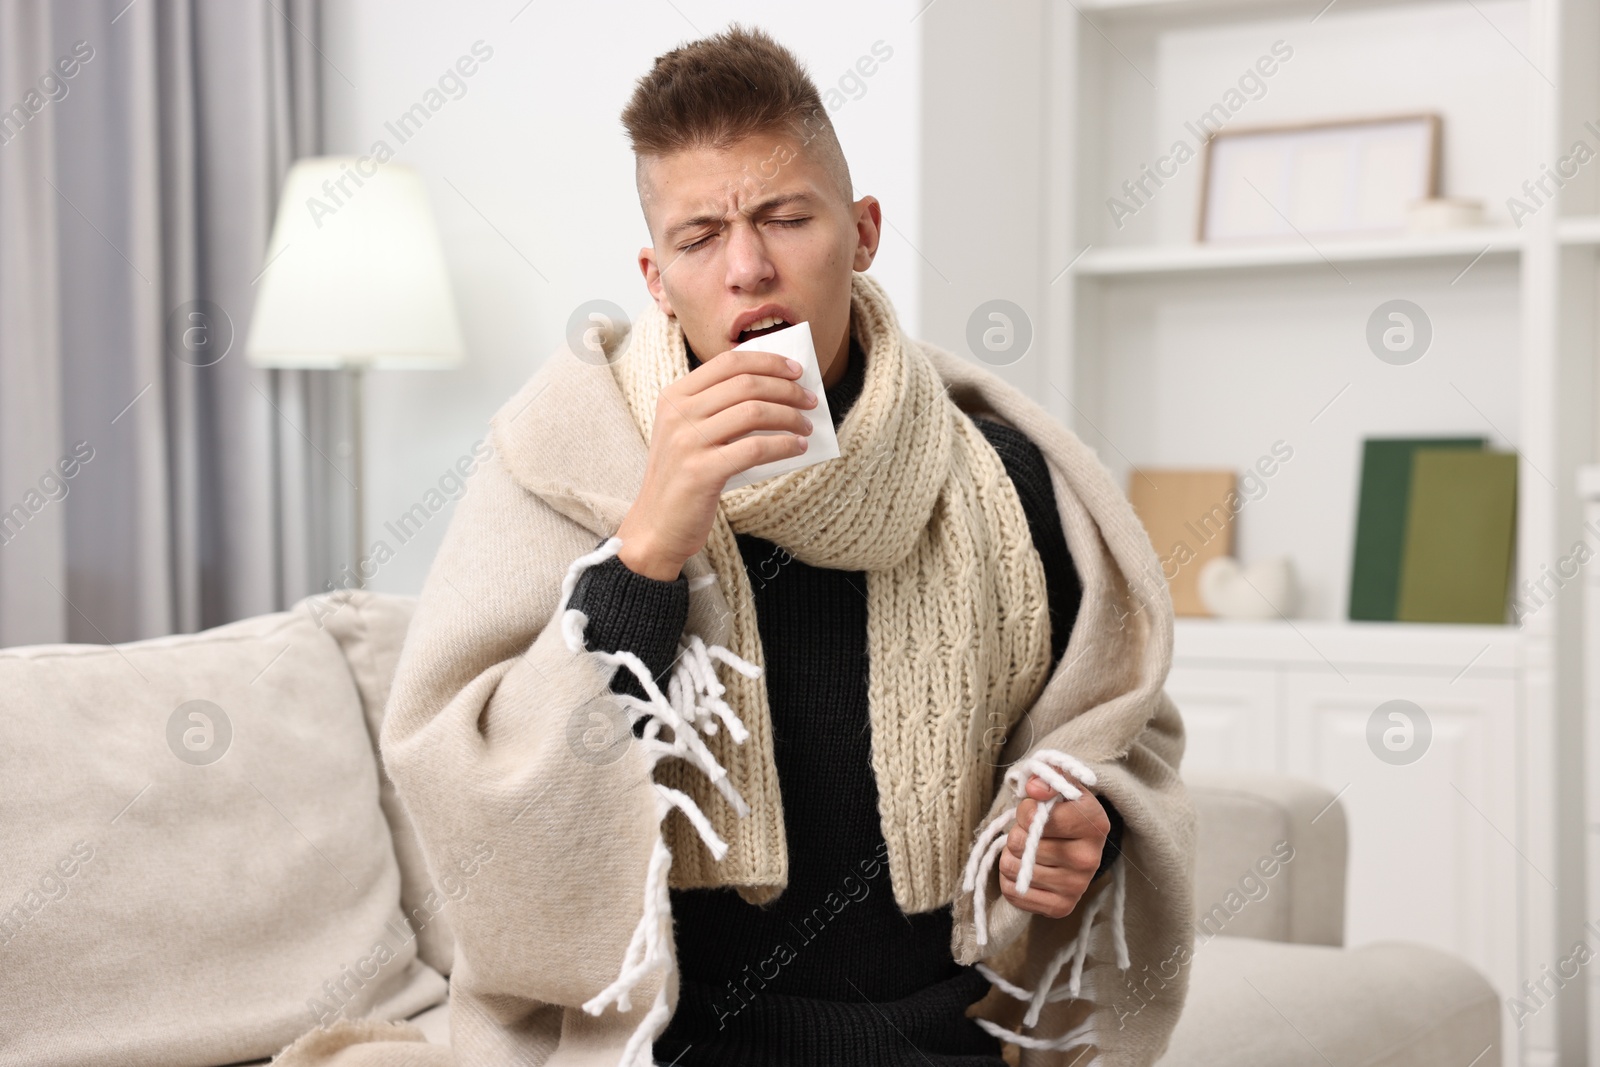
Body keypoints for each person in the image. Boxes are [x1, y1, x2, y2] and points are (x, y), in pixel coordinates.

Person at [272, 22, 1196, 1067]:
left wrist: (1087, 828)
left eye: (785, 217)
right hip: (658, 1045)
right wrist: (648, 543)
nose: (748, 269)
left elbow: (1114, 734)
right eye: (700, 236)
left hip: (947, 1037)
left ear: (863, 230)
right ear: (655, 274)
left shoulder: (1003, 473)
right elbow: (477, 795)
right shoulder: (556, 461)